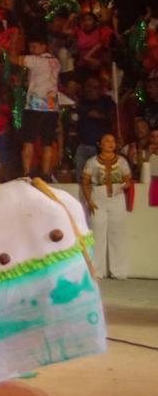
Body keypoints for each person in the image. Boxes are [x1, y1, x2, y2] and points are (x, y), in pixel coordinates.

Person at [81, 133, 132, 280]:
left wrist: (122, 186)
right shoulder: (91, 162)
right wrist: (89, 200)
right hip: (98, 197)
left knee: (117, 234)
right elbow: (85, 183)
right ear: (100, 144)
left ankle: (119, 271)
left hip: (116, 198)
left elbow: (128, 180)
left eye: (113, 141)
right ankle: (96, 271)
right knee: (97, 234)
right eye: (106, 141)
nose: (110, 143)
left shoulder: (121, 161)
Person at [11, 34, 60, 179]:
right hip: (52, 106)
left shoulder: (35, 60)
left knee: (29, 140)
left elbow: (13, 59)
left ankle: (26, 172)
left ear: (44, 46)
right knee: (47, 143)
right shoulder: (56, 61)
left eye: (35, 46)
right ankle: (46, 173)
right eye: (31, 46)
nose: (32, 49)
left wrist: (13, 42)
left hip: (34, 106)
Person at [73, 77, 115, 177]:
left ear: (100, 89)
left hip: (100, 147)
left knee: (100, 176)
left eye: (94, 87)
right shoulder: (81, 102)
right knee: (81, 175)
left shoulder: (107, 101)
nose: (91, 90)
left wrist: (99, 116)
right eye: (88, 87)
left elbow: (112, 118)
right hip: (82, 144)